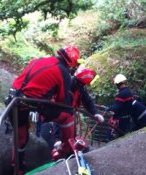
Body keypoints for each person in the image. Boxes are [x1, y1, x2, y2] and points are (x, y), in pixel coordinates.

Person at [8, 46, 81, 175]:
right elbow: (62, 101)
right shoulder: (63, 72)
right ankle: (67, 151)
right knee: (68, 115)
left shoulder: (39, 60)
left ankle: (17, 168)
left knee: (21, 138)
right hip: (33, 105)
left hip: (13, 101)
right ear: (72, 63)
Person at [40, 66, 104, 159]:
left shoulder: (80, 87)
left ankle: (70, 151)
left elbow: (87, 100)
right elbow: (57, 114)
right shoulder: (64, 86)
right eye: (79, 84)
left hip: (68, 116)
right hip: (53, 118)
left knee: (69, 136)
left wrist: (95, 113)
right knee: (53, 146)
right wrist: (56, 139)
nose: (81, 86)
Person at [107, 73, 146, 140]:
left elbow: (116, 106)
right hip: (145, 116)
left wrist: (108, 109)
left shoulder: (122, 94)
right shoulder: (129, 92)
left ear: (117, 84)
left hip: (144, 119)